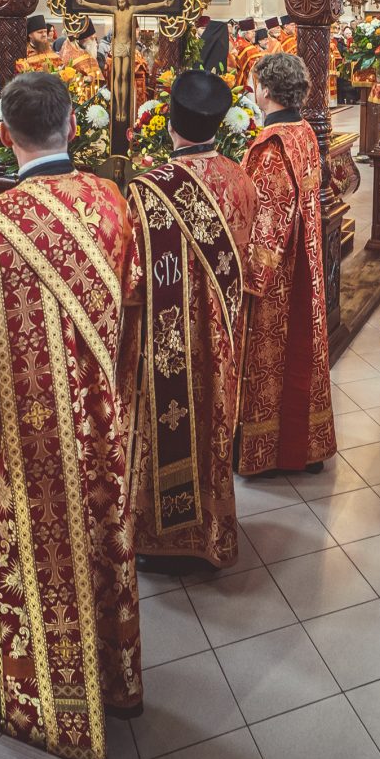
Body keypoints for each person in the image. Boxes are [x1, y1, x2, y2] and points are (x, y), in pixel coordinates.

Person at [0, 72, 142, 759]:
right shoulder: (111, 201)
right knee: (99, 538)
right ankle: (109, 678)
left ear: (5, 137)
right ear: (73, 125)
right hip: (98, 422)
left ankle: (22, 697)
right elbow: (130, 299)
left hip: (18, 435)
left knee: (21, 553)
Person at [128, 70, 257, 572]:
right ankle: (211, 534)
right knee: (212, 421)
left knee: (165, 428)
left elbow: (131, 282)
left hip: (163, 345)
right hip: (223, 335)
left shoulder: (146, 190)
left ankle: (160, 539)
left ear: (170, 126)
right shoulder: (239, 177)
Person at [236, 52, 337, 474]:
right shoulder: (305, 132)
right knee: (305, 354)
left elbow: (268, 221)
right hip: (307, 262)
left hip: (280, 279)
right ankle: (308, 445)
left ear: (265, 90)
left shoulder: (273, 147)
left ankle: (271, 453)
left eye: (253, 83)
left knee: (272, 359)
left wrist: (245, 279)